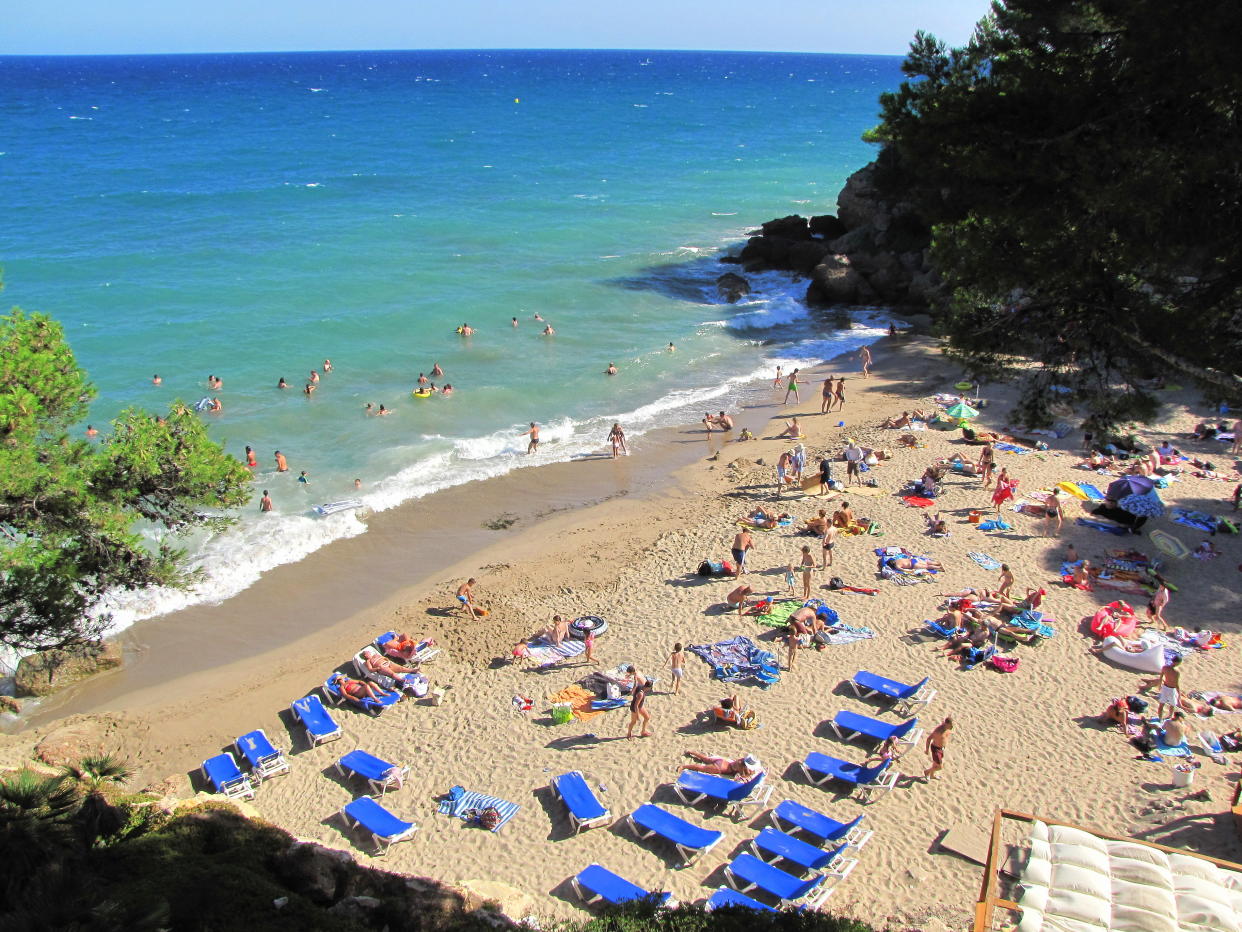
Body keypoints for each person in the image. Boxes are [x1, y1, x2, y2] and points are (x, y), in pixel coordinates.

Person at [331, 673, 397, 707]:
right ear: (337, 682)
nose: (341, 680)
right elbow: (345, 695)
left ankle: (382, 693)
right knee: (366, 686)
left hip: (362, 689)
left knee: (370, 683)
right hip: (357, 694)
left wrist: (365, 684)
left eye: (341, 679)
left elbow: (359, 681)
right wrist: (354, 698)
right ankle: (375, 699)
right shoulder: (341, 687)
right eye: (339, 680)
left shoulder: (349, 681)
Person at [681, 752, 760, 777]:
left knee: (706, 759)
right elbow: (742, 776)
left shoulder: (742, 760)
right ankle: (684, 766)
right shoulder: (741, 766)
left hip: (722, 761)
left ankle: (691, 752)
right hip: (720, 768)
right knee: (702, 768)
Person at [923, 716, 953, 780]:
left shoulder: (948, 728)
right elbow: (929, 739)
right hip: (936, 749)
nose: (952, 726)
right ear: (946, 724)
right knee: (940, 767)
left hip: (941, 749)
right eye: (950, 725)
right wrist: (927, 750)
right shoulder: (938, 731)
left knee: (935, 764)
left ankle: (932, 775)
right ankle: (927, 772)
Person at [626, 666, 652, 739]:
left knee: (647, 717)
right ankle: (628, 734)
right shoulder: (640, 693)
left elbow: (635, 685)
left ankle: (643, 731)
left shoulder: (640, 686)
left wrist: (632, 692)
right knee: (633, 722)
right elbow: (635, 705)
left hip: (640, 705)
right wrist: (637, 715)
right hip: (635, 707)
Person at [1154, 656, 1181, 720]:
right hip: (1172, 689)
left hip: (1165, 687)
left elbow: (1161, 677)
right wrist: (1179, 692)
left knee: (1161, 704)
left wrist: (1160, 685)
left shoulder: (1165, 667)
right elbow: (1176, 683)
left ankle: (1160, 718)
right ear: (1177, 662)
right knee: (1172, 704)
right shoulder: (1176, 672)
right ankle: (1169, 716)